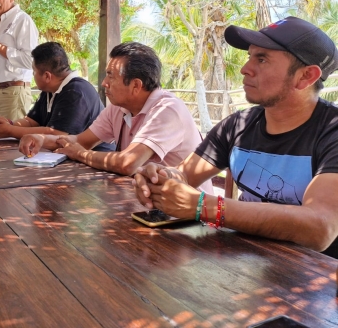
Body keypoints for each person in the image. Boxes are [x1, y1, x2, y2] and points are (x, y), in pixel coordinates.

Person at [134, 16, 338, 258]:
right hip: (244, 265)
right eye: (250, 56)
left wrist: (205, 207)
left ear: (306, 76)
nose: (245, 68)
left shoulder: (331, 130)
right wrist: (160, 178)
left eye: (262, 59)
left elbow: (321, 228)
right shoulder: (239, 124)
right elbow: (184, 175)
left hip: (315, 283)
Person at [19, 42, 210, 185]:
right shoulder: (118, 108)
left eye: (111, 76)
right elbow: (80, 141)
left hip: (185, 215)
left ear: (136, 85)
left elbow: (127, 163)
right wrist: (41, 139)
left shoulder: (167, 109)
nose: (104, 83)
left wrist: (82, 155)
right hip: (144, 201)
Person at [0, 42, 113, 152]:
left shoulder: (76, 92)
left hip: (94, 161)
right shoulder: (50, 90)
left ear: (47, 76)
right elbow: (31, 121)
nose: (33, 76)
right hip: (63, 156)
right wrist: (8, 124)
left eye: (34, 71)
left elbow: (57, 134)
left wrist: (10, 130)